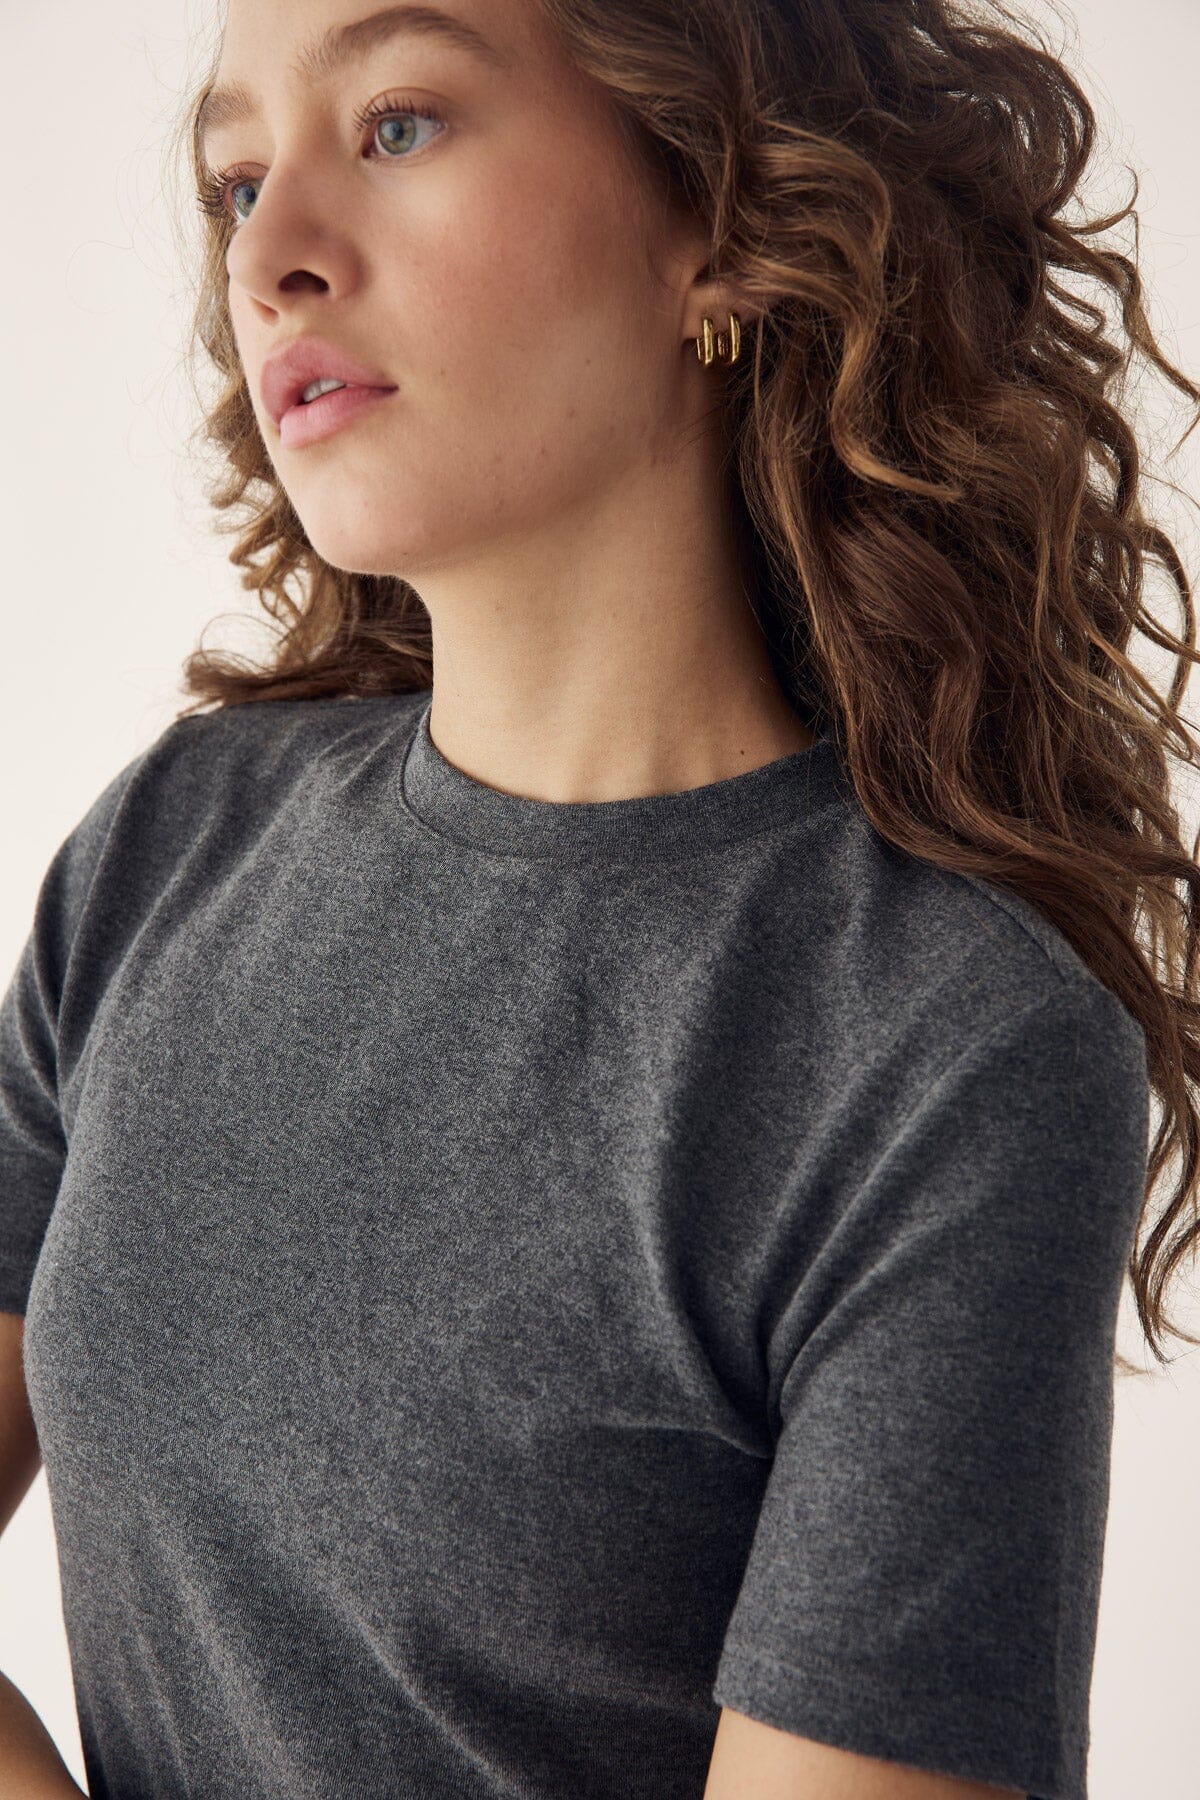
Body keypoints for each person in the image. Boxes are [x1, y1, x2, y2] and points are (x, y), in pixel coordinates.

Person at [1, 0, 1196, 1795]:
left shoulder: (952, 1048)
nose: (268, 254)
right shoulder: (173, 851)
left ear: (716, 215)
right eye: (238, 180)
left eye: (398, 124)